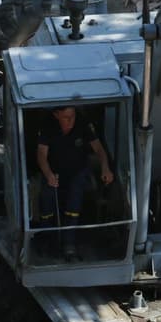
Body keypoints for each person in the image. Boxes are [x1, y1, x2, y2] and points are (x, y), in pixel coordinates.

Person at [36, 106, 113, 258]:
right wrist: (49, 174)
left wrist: (105, 168)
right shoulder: (47, 125)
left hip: (77, 171)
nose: (71, 121)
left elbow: (99, 149)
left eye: (73, 116)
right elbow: (41, 155)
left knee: (74, 201)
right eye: (66, 117)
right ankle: (47, 239)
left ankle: (69, 243)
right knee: (46, 200)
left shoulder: (82, 123)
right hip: (53, 171)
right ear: (56, 115)